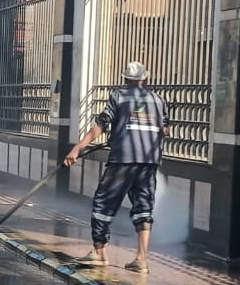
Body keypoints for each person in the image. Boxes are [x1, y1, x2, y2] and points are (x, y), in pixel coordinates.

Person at [63, 60, 169, 274]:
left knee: (103, 203)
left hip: (123, 160)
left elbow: (100, 125)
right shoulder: (158, 100)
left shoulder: (119, 97)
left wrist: (77, 148)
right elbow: (165, 131)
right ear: (145, 79)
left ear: (126, 80)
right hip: (148, 162)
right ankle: (141, 259)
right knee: (143, 207)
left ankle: (100, 253)